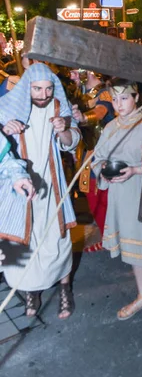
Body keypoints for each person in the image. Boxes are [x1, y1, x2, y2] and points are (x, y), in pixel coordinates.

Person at [0, 63, 80, 319]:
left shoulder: (58, 107)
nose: (44, 95)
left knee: (57, 236)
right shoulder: (8, 109)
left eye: (48, 88)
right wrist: (5, 130)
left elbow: (72, 141)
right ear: (26, 87)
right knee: (25, 241)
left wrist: (64, 131)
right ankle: (31, 290)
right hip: (19, 189)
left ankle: (65, 287)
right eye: (37, 89)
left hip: (51, 185)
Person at [91, 79, 142, 320]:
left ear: (136, 97)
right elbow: (97, 158)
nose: (118, 104)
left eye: (124, 98)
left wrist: (135, 170)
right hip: (119, 195)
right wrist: (102, 166)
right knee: (131, 249)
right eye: (114, 99)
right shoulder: (111, 127)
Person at [71, 70, 114, 251]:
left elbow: (101, 111)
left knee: (103, 197)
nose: (71, 74)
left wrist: (83, 117)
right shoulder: (79, 91)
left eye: (74, 70)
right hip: (87, 150)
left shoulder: (104, 92)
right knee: (90, 194)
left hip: (104, 152)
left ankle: (110, 239)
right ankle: (107, 236)